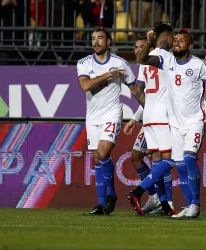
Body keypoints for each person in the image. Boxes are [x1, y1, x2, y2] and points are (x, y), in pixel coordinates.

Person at [136, 28, 206, 218]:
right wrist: (149, 41)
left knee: (188, 159)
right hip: (175, 125)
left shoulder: (198, 65)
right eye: (175, 40)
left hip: (195, 121)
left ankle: (195, 204)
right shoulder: (167, 60)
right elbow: (143, 60)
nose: (176, 43)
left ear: (190, 46)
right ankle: (188, 206)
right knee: (180, 165)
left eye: (181, 41)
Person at [76, 28, 145, 215]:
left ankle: (108, 197)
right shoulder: (83, 63)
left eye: (100, 38)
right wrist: (108, 75)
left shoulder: (120, 63)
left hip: (112, 113)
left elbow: (135, 89)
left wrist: (148, 106)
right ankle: (104, 200)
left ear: (109, 41)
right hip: (92, 116)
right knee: (97, 158)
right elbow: (85, 86)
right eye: (93, 39)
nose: (96, 42)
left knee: (103, 151)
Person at [125, 22, 178, 216]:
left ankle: (164, 205)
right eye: (172, 37)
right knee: (171, 159)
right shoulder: (166, 57)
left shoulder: (143, 64)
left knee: (156, 160)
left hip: (148, 115)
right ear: (165, 38)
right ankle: (138, 192)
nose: (174, 41)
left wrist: (139, 114)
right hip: (164, 115)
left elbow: (138, 91)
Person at [122, 36, 161, 214]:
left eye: (141, 47)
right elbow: (147, 100)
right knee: (136, 157)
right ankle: (154, 196)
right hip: (148, 118)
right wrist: (134, 119)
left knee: (159, 159)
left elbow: (152, 99)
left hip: (158, 118)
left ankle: (163, 200)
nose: (138, 50)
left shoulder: (156, 64)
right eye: (136, 47)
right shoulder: (142, 67)